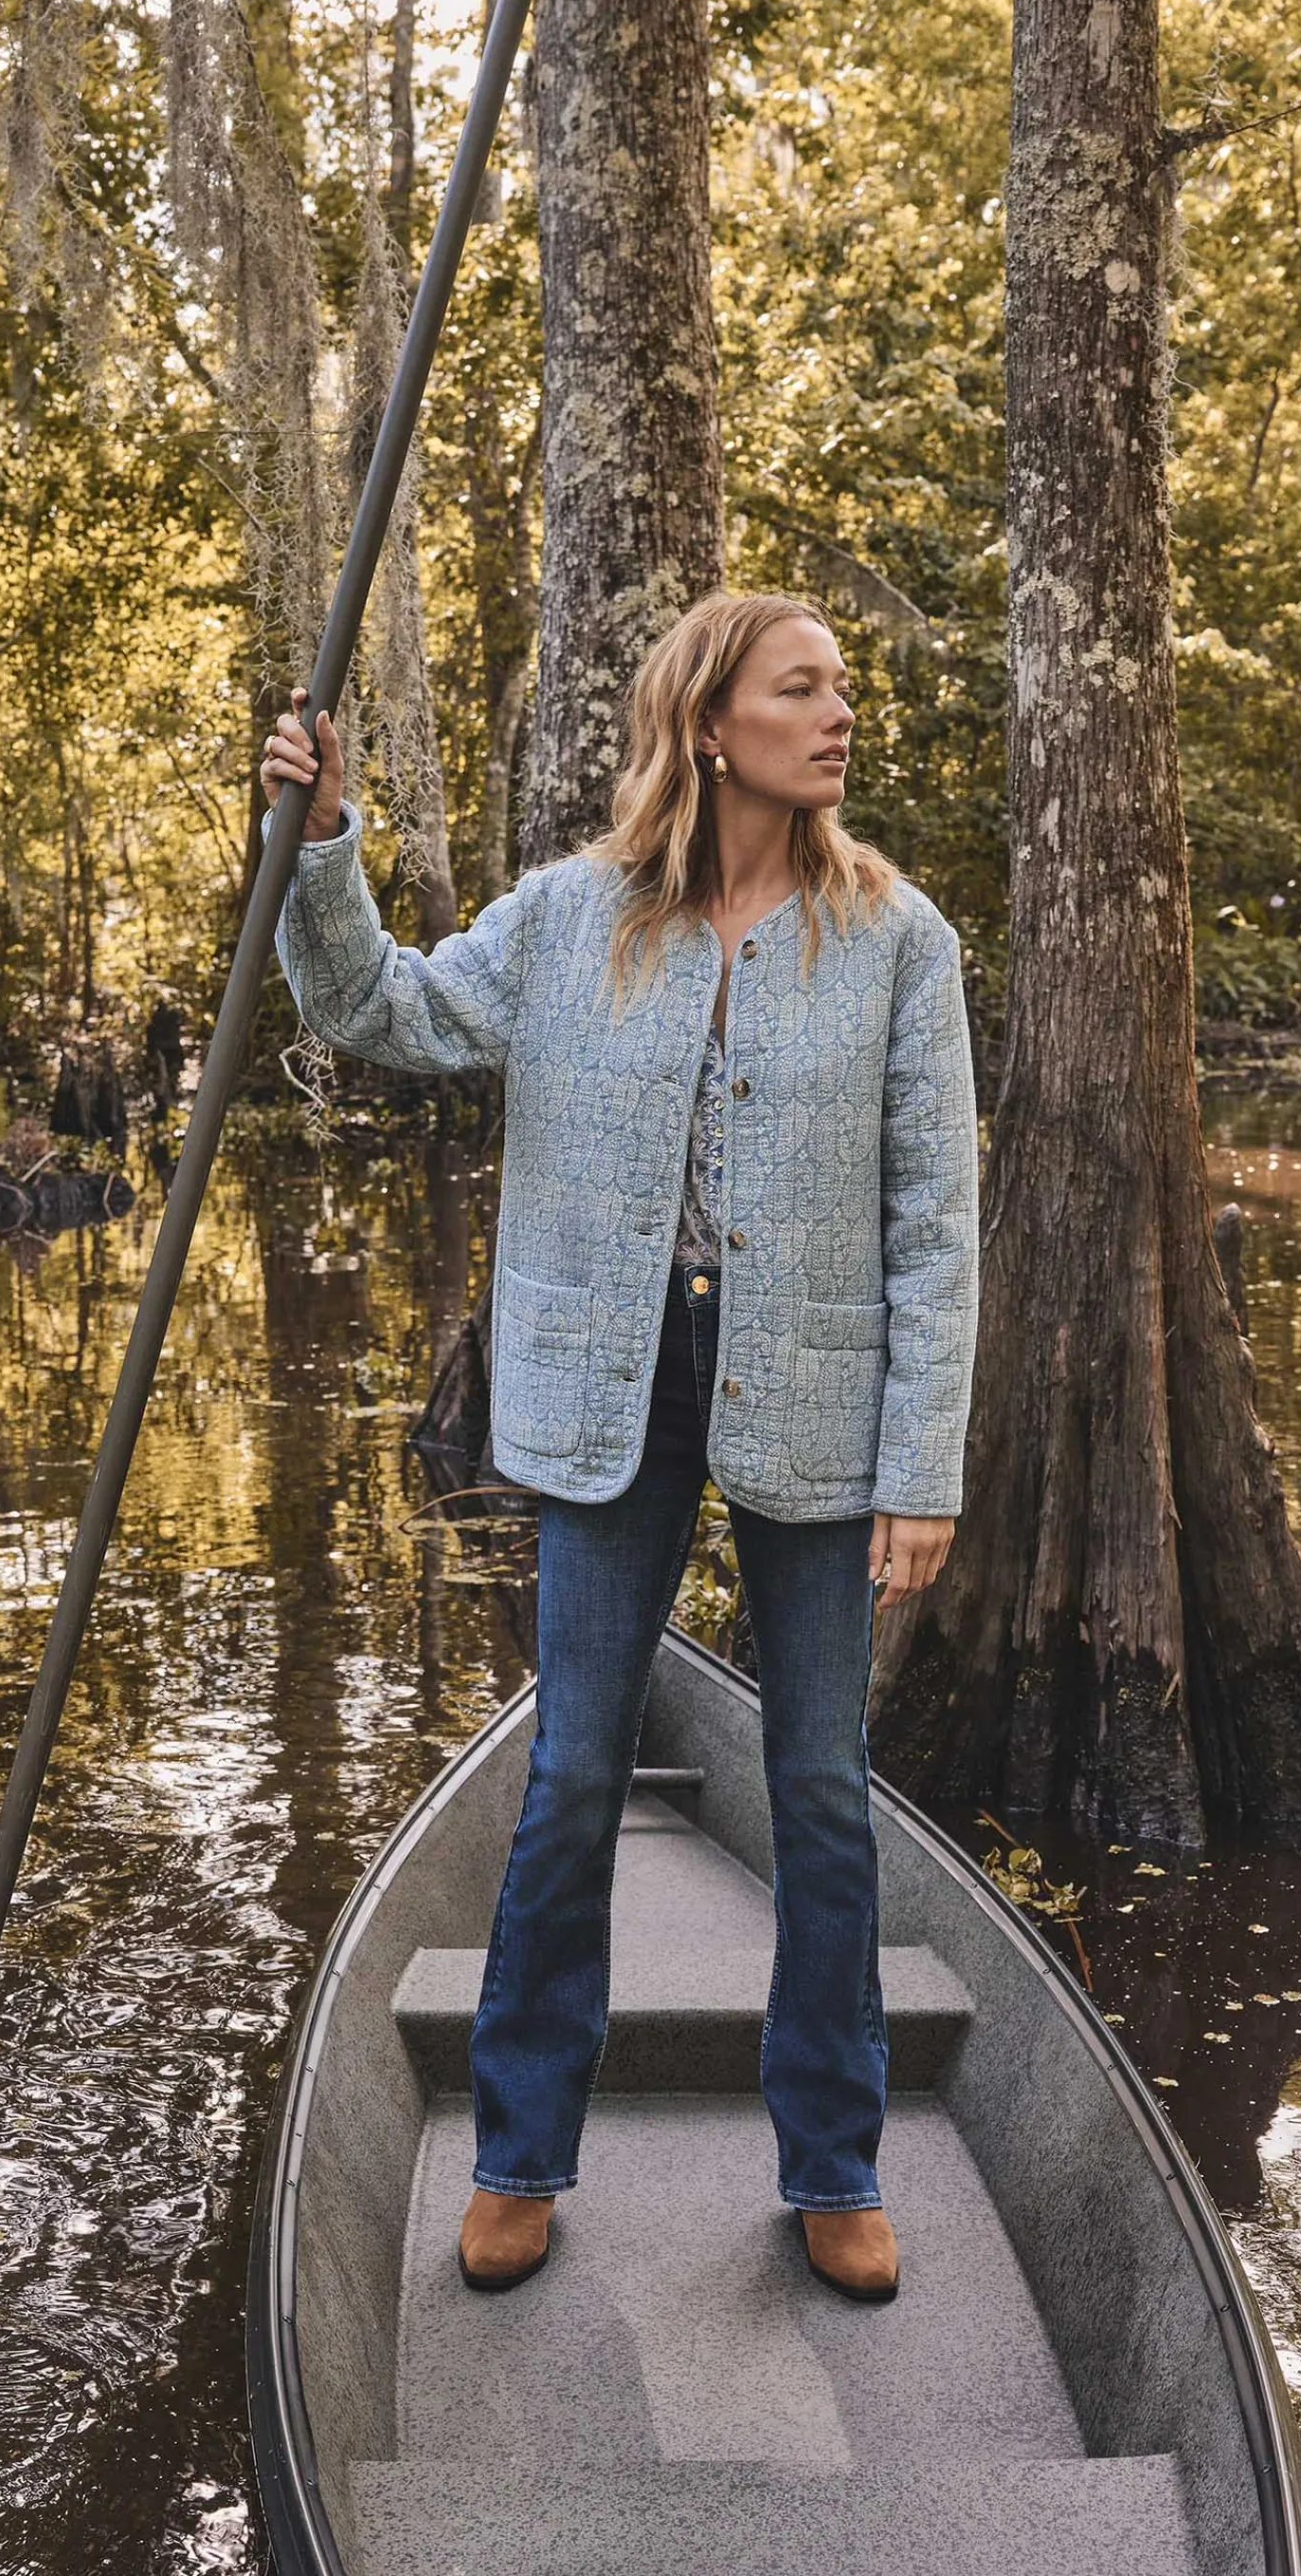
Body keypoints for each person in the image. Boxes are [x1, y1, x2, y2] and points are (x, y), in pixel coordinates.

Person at [258, 589, 979, 2309]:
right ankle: (519, 2153)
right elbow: (385, 1012)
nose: (838, 714)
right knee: (574, 1773)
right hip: (604, 1388)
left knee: (817, 1789)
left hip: (813, 1383)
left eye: (842, 689)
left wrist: (923, 1463)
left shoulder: (897, 938)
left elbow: (937, 1219)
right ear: (711, 722)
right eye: (803, 688)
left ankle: (833, 2161)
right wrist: (325, 835)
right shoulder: (573, 919)